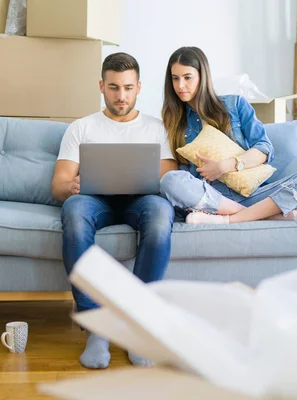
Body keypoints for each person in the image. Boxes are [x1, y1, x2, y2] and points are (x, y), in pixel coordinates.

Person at [52, 52, 178, 369]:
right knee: (74, 211)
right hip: (95, 200)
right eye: (113, 88)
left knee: (161, 215)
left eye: (127, 87)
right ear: (101, 86)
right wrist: (73, 187)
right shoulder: (81, 128)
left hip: (142, 200)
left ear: (138, 88)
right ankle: (98, 325)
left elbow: (168, 177)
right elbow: (58, 186)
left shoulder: (157, 128)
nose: (121, 96)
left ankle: (137, 323)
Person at [159, 46, 297, 224]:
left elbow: (265, 149)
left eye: (187, 77)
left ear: (202, 76)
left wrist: (225, 166)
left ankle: (232, 219)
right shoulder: (172, 121)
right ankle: (261, 215)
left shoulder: (234, 104)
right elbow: (180, 175)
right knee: (170, 181)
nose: (180, 85)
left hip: (257, 196)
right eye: (175, 79)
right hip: (211, 201)